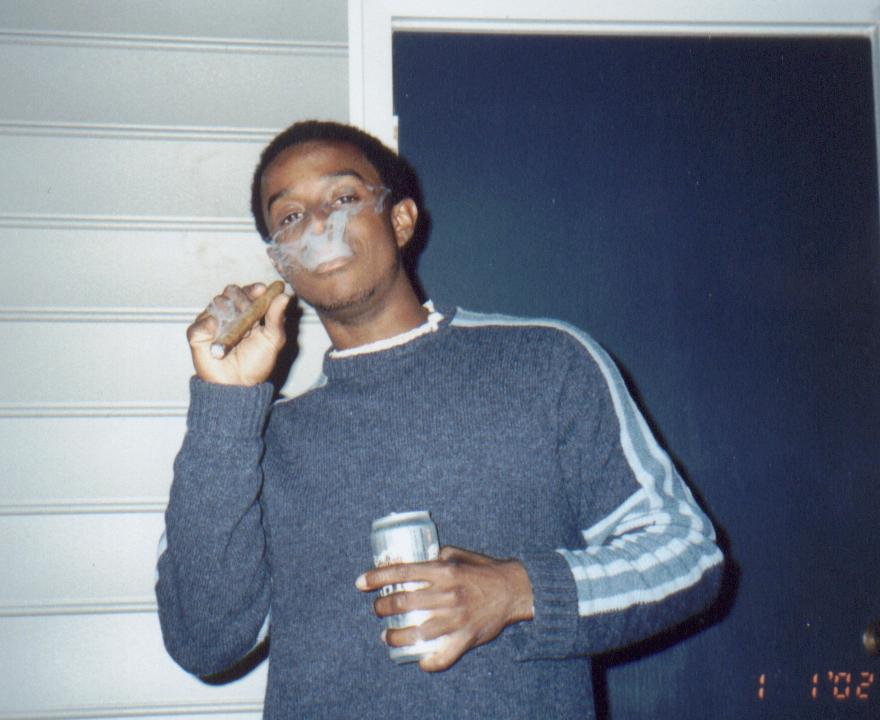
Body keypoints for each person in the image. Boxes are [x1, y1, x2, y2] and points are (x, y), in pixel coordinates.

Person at [156, 120, 724, 719]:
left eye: (343, 197)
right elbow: (204, 642)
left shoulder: (545, 362)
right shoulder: (258, 442)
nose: (319, 225)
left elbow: (687, 556)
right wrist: (224, 401)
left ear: (401, 221)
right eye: (290, 216)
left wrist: (516, 592)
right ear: (280, 261)